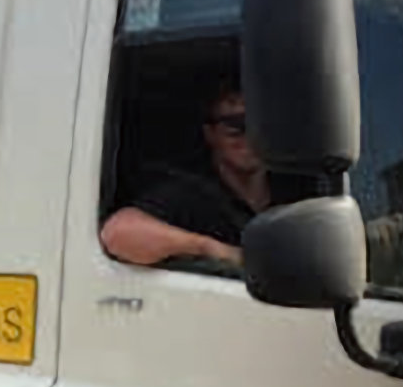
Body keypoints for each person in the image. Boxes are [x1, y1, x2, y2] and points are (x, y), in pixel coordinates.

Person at [100, 80, 314, 269]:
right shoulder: (190, 194)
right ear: (210, 134)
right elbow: (117, 234)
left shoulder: (299, 190)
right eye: (234, 125)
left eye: (258, 123)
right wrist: (214, 250)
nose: (248, 135)